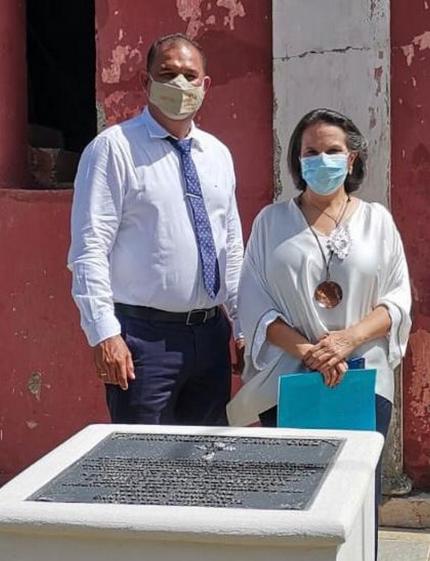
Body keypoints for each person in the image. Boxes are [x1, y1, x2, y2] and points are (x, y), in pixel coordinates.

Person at [227, 108, 411, 558]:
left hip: (362, 379)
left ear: (352, 160)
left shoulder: (377, 221)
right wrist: (310, 350)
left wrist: (346, 341)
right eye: (311, 152)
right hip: (292, 378)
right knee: (293, 493)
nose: (322, 159)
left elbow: (397, 299)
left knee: (355, 493)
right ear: (297, 161)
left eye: (333, 150)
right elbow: (254, 301)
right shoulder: (271, 222)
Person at [68, 33, 244, 426]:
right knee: (142, 468)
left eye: (189, 75)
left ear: (205, 85)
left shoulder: (217, 153)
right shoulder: (114, 149)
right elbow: (89, 247)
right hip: (143, 341)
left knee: (205, 461)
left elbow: (230, 245)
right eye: (166, 74)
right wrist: (103, 334)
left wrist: (242, 326)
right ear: (146, 83)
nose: (179, 84)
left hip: (210, 335)